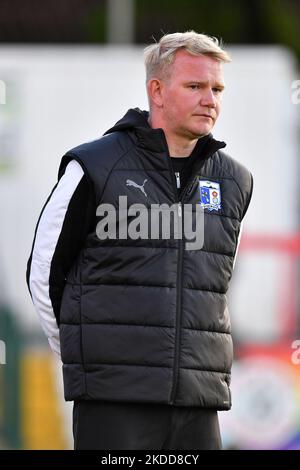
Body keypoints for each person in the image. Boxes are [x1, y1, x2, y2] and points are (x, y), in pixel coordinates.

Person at [26, 30, 253, 450]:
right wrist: (84, 360)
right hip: (113, 399)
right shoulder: (93, 166)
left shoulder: (235, 180)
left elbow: (217, 285)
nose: (211, 99)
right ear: (157, 90)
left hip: (198, 404)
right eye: (195, 86)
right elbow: (43, 274)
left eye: (217, 88)